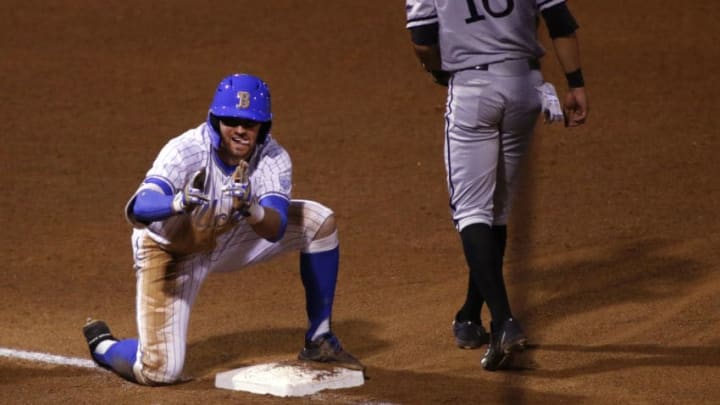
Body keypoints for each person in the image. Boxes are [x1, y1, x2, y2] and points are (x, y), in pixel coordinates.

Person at [82, 73, 364, 385]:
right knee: (159, 370)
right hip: (170, 251)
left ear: (263, 127)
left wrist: (252, 209)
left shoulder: (273, 157)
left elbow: (276, 228)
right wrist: (178, 202)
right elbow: (140, 207)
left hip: (227, 236)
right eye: (231, 120)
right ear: (216, 120)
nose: (240, 129)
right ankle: (105, 347)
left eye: (250, 123)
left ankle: (320, 340)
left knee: (318, 221)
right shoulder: (186, 150)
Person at [405, 0, 589, 371]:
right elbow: (560, 22)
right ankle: (471, 317)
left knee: (472, 211)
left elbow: (423, 40)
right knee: (497, 209)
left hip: (474, 90)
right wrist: (576, 84)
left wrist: (440, 72)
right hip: (526, 89)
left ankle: (504, 320)